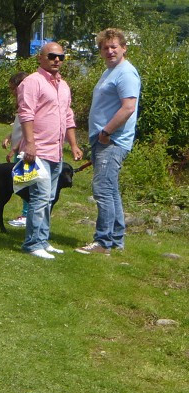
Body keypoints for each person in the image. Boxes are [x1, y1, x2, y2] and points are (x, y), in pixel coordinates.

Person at [76, 28, 140, 255]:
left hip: (112, 141)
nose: (110, 51)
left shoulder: (126, 73)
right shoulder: (110, 71)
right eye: (105, 48)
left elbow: (128, 107)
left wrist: (106, 132)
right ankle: (116, 240)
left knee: (102, 189)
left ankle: (103, 242)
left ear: (124, 48)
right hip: (104, 139)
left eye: (114, 47)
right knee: (110, 190)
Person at [18, 41, 83, 259]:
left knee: (49, 197)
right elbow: (26, 114)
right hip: (38, 150)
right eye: (52, 56)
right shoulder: (32, 82)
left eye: (61, 57)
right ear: (40, 58)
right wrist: (29, 143)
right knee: (40, 196)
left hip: (56, 151)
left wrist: (73, 144)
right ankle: (32, 243)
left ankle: (43, 240)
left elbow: (68, 116)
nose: (57, 60)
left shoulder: (63, 86)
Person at [1, 71, 30, 227]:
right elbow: (19, 127)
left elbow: (28, 131)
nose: (12, 92)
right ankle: (26, 213)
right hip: (19, 147)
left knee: (25, 181)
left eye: (14, 88)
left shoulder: (29, 103)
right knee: (19, 181)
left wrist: (14, 149)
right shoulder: (21, 103)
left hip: (25, 149)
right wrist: (9, 136)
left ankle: (27, 215)